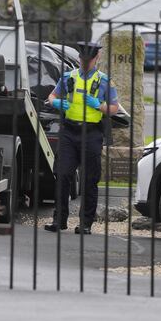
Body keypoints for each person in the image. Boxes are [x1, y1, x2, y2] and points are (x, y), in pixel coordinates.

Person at [44, 41, 120, 235]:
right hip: (69, 131)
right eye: (82, 60)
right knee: (62, 174)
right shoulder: (68, 77)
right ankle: (59, 220)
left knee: (89, 179)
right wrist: (57, 103)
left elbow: (114, 108)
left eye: (89, 60)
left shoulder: (104, 81)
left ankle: (85, 223)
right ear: (79, 59)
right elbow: (51, 96)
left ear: (97, 59)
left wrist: (98, 105)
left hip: (92, 133)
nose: (85, 63)